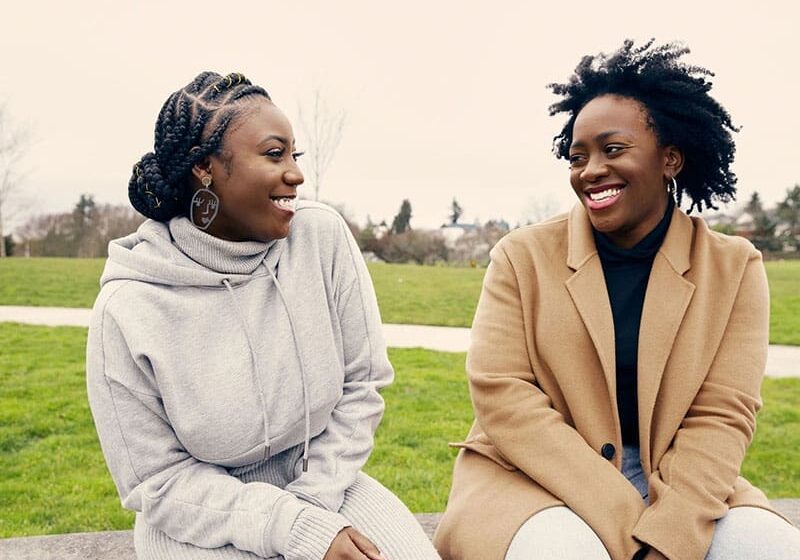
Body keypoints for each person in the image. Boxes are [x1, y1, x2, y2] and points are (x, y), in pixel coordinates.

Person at [433, 40, 800, 560]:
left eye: (613, 149)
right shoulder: (521, 256)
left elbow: (721, 415)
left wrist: (672, 530)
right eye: (577, 157)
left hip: (675, 481)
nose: (590, 170)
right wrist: (631, 524)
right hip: (532, 478)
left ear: (670, 158)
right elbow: (503, 396)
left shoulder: (735, 268)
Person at [86, 71, 440, 560]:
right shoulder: (128, 307)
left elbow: (363, 384)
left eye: (296, 155)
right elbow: (155, 481)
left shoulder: (321, 238)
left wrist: (312, 508)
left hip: (324, 482)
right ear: (205, 169)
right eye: (275, 154)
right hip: (199, 519)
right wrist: (286, 526)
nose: (295, 173)